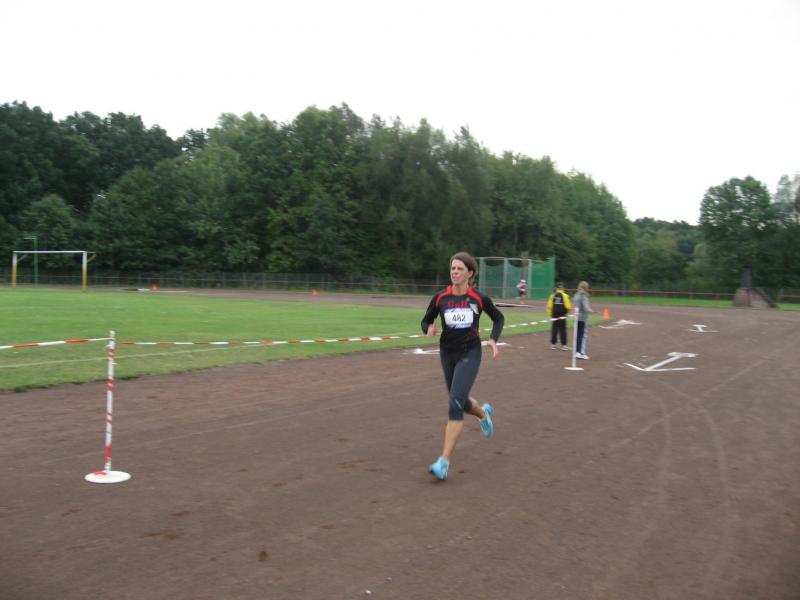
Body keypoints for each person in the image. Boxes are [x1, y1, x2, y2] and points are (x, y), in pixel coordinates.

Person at [421, 252, 505, 481]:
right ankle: (483, 414)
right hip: (447, 353)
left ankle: (444, 462)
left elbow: (498, 318)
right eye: (453, 268)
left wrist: (493, 339)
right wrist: (428, 328)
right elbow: (426, 320)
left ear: (470, 273)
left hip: (470, 353)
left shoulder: (478, 298)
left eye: (460, 269)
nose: (455, 272)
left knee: (455, 404)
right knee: (460, 400)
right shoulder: (441, 298)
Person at [573, 280, 595, 359]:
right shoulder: (584, 296)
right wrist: (591, 310)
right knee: (582, 336)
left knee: (578, 335)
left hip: (576, 317)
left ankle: (577, 352)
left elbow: (575, 306)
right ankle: (581, 352)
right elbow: (586, 307)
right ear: (585, 287)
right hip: (582, 318)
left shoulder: (576, 295)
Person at [546, 282, 571, 350]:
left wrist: (550, 314)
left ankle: (553, 344)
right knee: (563, 330)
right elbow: (568, 306)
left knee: (554, 329)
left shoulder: (552, 295)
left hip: (554, 314)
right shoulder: (565, 295)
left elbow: (549, 306)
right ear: (562, 288)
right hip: (562, 314)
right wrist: (566, 313)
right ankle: (564, 345)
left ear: (556, 288)